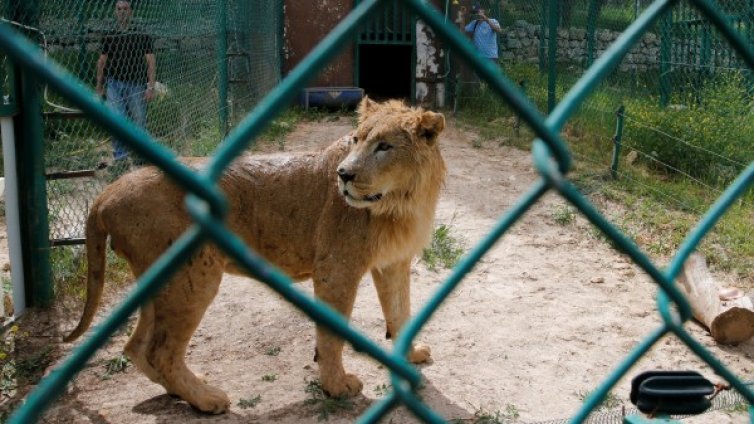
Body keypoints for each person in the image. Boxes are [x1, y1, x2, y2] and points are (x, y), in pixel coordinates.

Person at [96, 0, 156, 167]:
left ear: (131, 12)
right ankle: (120, 158)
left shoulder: (141, 34)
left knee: (139, 120)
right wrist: (99, 87)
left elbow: (151, 61)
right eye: (119, 8)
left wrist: (150, 86)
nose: (122, 11)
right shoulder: (110, 34)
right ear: (115, 12)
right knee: (117, 119)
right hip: (114, 83)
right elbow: (101, 61)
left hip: (136, 83)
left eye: (125, 9)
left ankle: (142, 156)